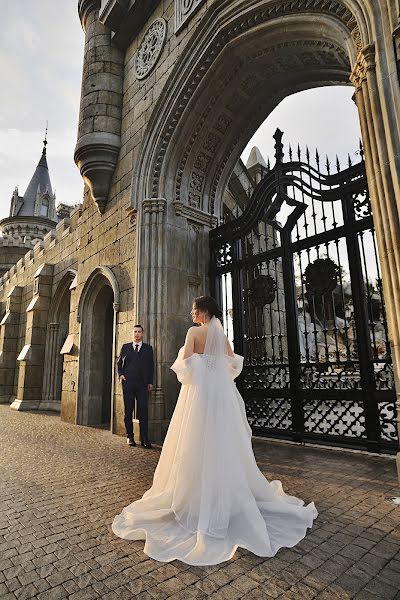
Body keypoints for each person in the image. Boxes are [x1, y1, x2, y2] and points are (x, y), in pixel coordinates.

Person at [112, 296, 317, 565]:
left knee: (194, 441)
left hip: (198, 395)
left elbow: (184, 363)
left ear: (203, 311)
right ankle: (225, 495)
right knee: (222, 442)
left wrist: (197, 368)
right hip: (221, 396)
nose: (191, 312)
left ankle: (194, 499)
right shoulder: (221, 334)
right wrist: (216, 372)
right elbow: (234, 364)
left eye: (194, 309)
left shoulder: (193, 332)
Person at [117, 324, 153, 448]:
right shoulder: (125, 347)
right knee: (128, 410)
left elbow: (150, 366)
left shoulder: (148, 349)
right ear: (132, 334)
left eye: (139, 332)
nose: (137, 334)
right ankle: (130, 436)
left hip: (142, 384)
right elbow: (119, 363)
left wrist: (150, 382)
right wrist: (121, 375)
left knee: (143, 410)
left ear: (142, 334)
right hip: (128, 383)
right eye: (135, 332)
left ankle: (144, 438)